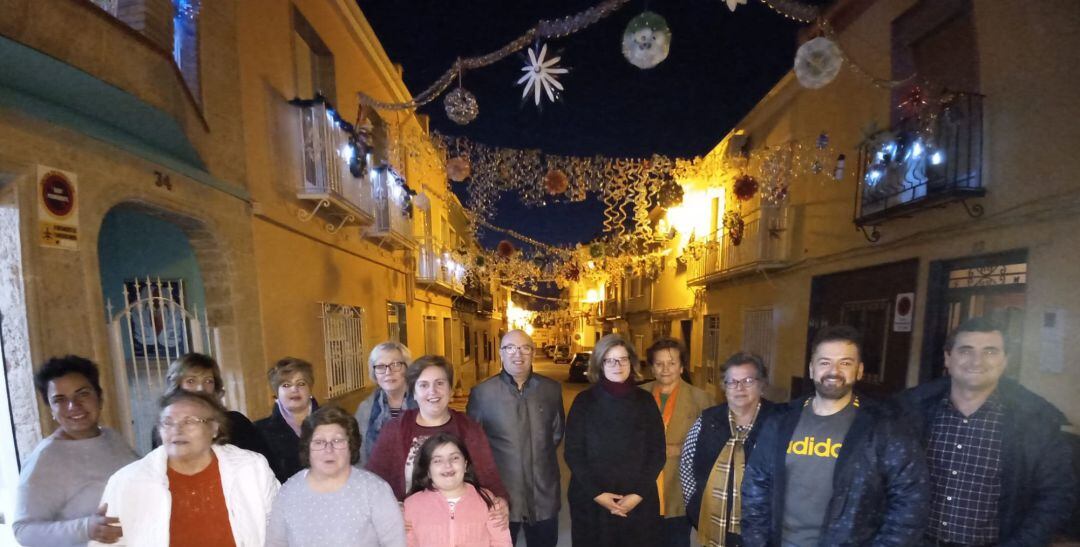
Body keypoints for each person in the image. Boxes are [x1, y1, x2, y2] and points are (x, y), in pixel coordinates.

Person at [740, 325, 929, 546]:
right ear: (812, 369)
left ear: (859, 370)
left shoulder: (884, 426)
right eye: (825, 362)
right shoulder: (781, 421)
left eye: (845, 363)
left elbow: (910, 501)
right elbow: (756, 488)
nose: (834, 371)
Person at [898, 317, 1076, 546]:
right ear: (948, 358)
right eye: (966, 350)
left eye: (990, 352)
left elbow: (1057, 496)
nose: (977, 361)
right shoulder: (910, 411)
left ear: (1004, 361)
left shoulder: (1035, 422)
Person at [92, 390, 279, 546]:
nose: (177, 429)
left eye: (189, 421)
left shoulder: (251, 468)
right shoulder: (128, 482)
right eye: (168, 422)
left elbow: (280, 529)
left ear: (214, 428)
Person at [14, 356, 138, 546]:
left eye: (83, 394)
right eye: (60, 400)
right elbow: (24, 531)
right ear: (51, 410)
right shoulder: (46, 459)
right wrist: (86, 528)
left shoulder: (112, 438)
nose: (73, 406)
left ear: (99, 397)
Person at [564, 333, 666, 547]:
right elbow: (573, 453)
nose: (617, 365)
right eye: (609, 360)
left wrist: (637, 495)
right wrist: (598, 494)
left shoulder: (645, 401)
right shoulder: (584, 402)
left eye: (623, 359)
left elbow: (657, 452)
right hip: (592, 500)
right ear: (600, 364)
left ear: (631, 362)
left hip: (638, 500)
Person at [366, 355, 509, 506]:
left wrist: (501, 501)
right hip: (409, 524)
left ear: (450, 389)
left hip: (461, 522)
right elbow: (375, 481)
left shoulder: (469, 429)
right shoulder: (395, 430)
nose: (432, 391)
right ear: (413, 393)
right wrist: (393, 507)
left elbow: (489, 478)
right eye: (423, 385)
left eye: (439, 383)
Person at [467, 329, 565, 547]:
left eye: (524, 348)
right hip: (501, 498)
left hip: (544, 495)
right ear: (501, 353)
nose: (517, 354)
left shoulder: (550, 389)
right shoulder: (482, 394)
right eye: (510, 348)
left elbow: (556, 433)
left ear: (533, 352)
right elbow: (474, 446)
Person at [267, 405, 406, 547]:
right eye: (319, 442)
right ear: (307, 447)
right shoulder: (288, 492)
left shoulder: (375, 491)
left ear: (351, 445)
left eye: (337, 441)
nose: (329, 450)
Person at [680, 352, 775, 547]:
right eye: (732, 381)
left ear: (762, 385)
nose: (739, 388)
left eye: (748, 380)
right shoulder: (707, 421)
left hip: (763, 532)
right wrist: (695, 508)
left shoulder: (778, 422)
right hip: (709, 526)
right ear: (724, 387)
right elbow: (686, 468)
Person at [640, 337, 714, 547]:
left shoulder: (702, 399)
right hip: (642, 488)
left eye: (672, 363)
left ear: (682, 367)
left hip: (679, 490)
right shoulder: (638, 396)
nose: (665, 369)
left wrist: (681, 449)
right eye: (659, 364)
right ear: (652, 368)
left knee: (676, 541)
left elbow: (713, 444)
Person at [153, 353, 273, 464]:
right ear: (177, 386)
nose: (201, 388)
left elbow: (264, 466)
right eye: (191, 381)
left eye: (208, 381)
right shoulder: (165, 427)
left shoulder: (236, 423)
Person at [404, 432, 513, 547]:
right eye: (437, 460)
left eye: (454, 458)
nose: (447, 465)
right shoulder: (412, 505)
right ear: (428, 471)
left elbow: (501, 542)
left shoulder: (487, 500)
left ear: (465, 464)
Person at [256, 357, 319, 482]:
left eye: (301, 383)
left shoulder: (332, 422)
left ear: (310, 388)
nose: (294, 389)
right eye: (286, 385)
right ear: (276, 393)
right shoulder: (259, 431)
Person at [355, 341, 417, 466]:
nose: (388, 372)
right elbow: (359, 454)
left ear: (407, 368)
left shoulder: (422, 403)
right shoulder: (365, 409)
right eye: (380, 367)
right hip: (376, 480)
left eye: (395, 364)